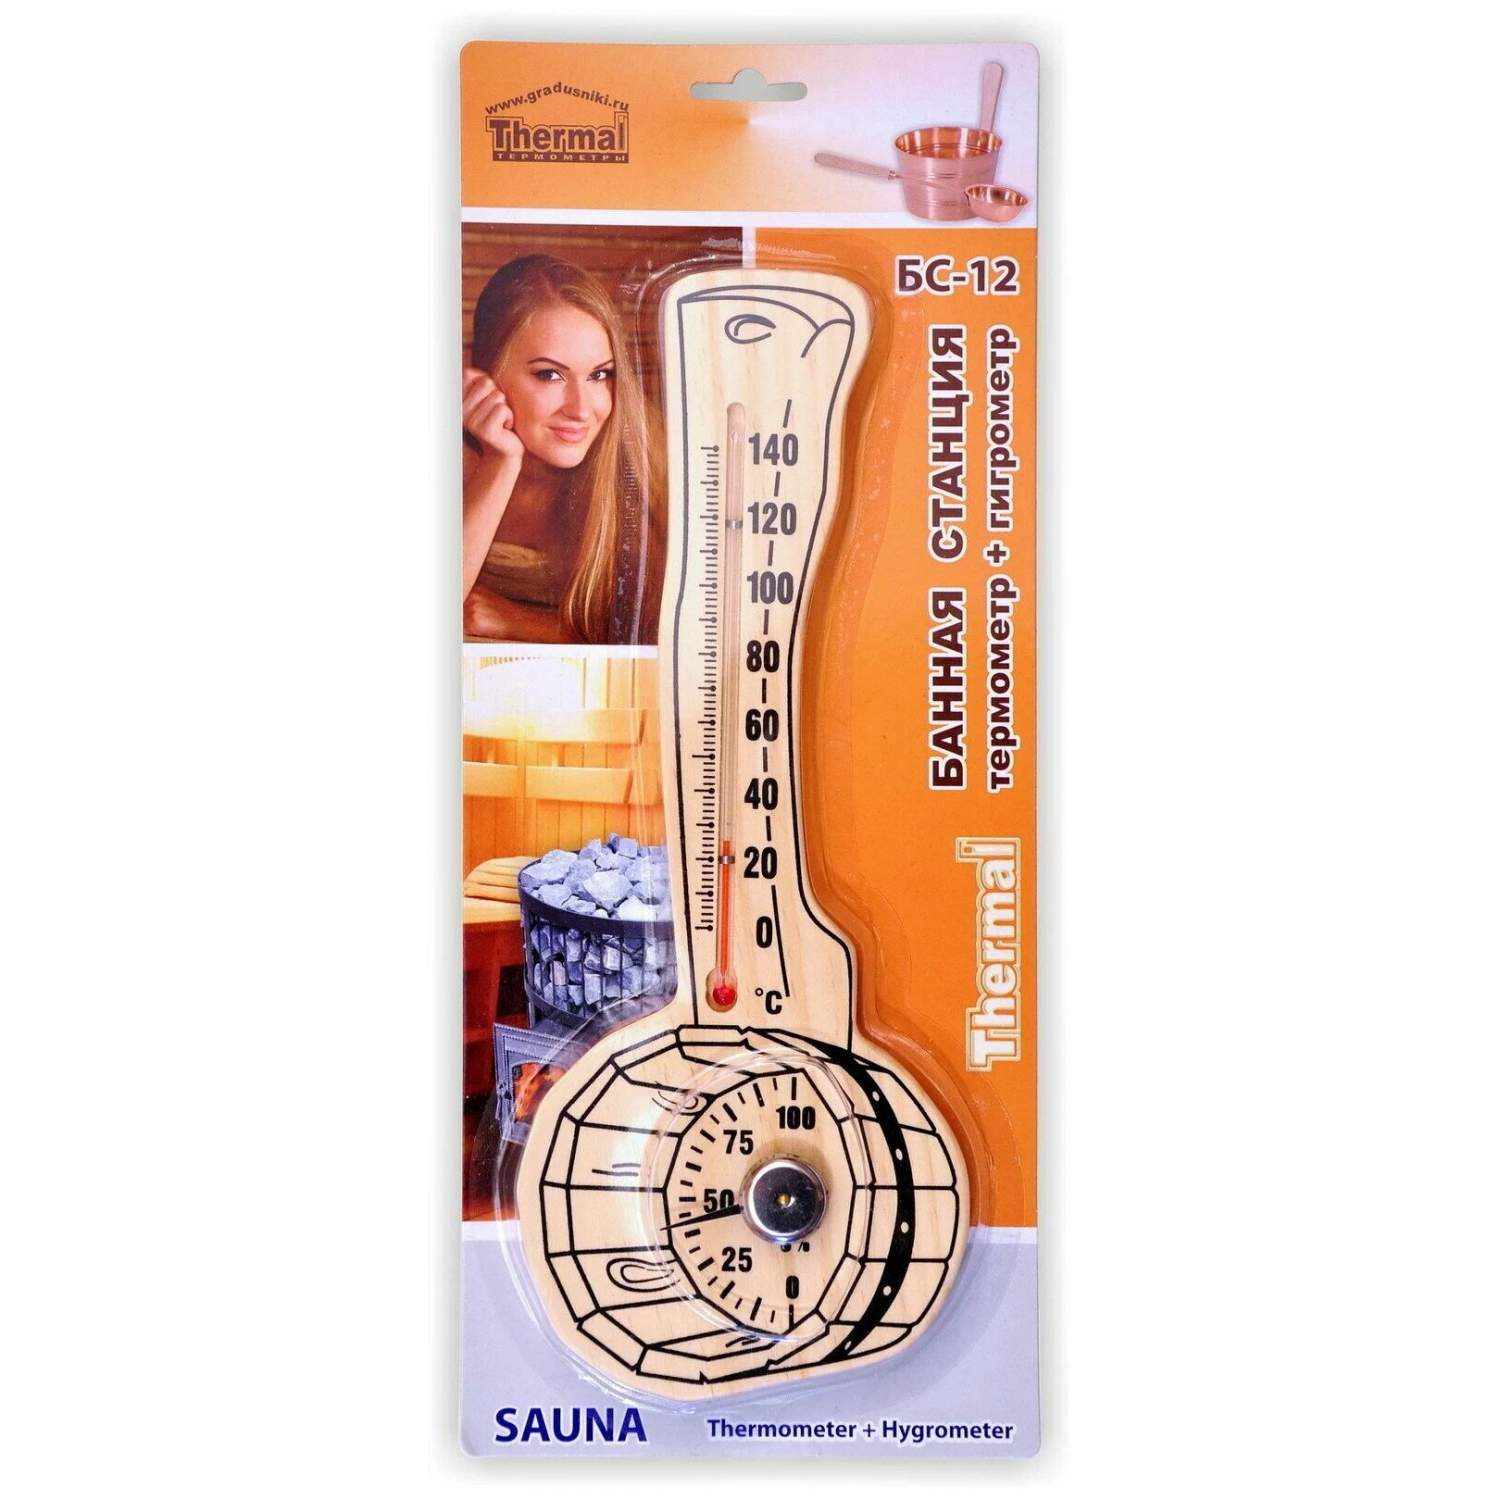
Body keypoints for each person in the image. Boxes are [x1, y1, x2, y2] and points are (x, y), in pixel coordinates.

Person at [462, 254, 662, 642]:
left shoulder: (644, 454)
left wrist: (523, 623)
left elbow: (680, 635)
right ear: (484, 370)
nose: (581, 410)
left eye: (599, 375)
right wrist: (501, 462)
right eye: (550, 375)